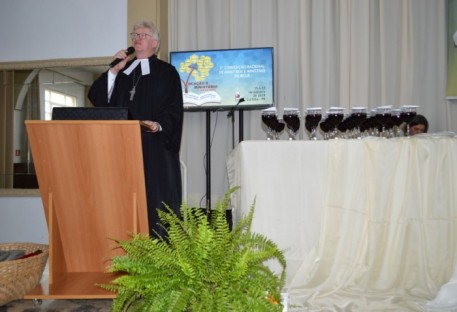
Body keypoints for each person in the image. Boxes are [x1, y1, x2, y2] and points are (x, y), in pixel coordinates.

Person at [88, 20, 184, 238]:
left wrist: (158, 125)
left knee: (155, 203)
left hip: (155, 148)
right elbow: (98, 98)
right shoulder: (123, 73)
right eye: (134, 35)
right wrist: (113, 71)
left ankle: (160, 255)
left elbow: (174, 108)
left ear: (155, 43)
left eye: (142, 35)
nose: (136, 39)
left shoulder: (167, 73)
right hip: (124, 149)